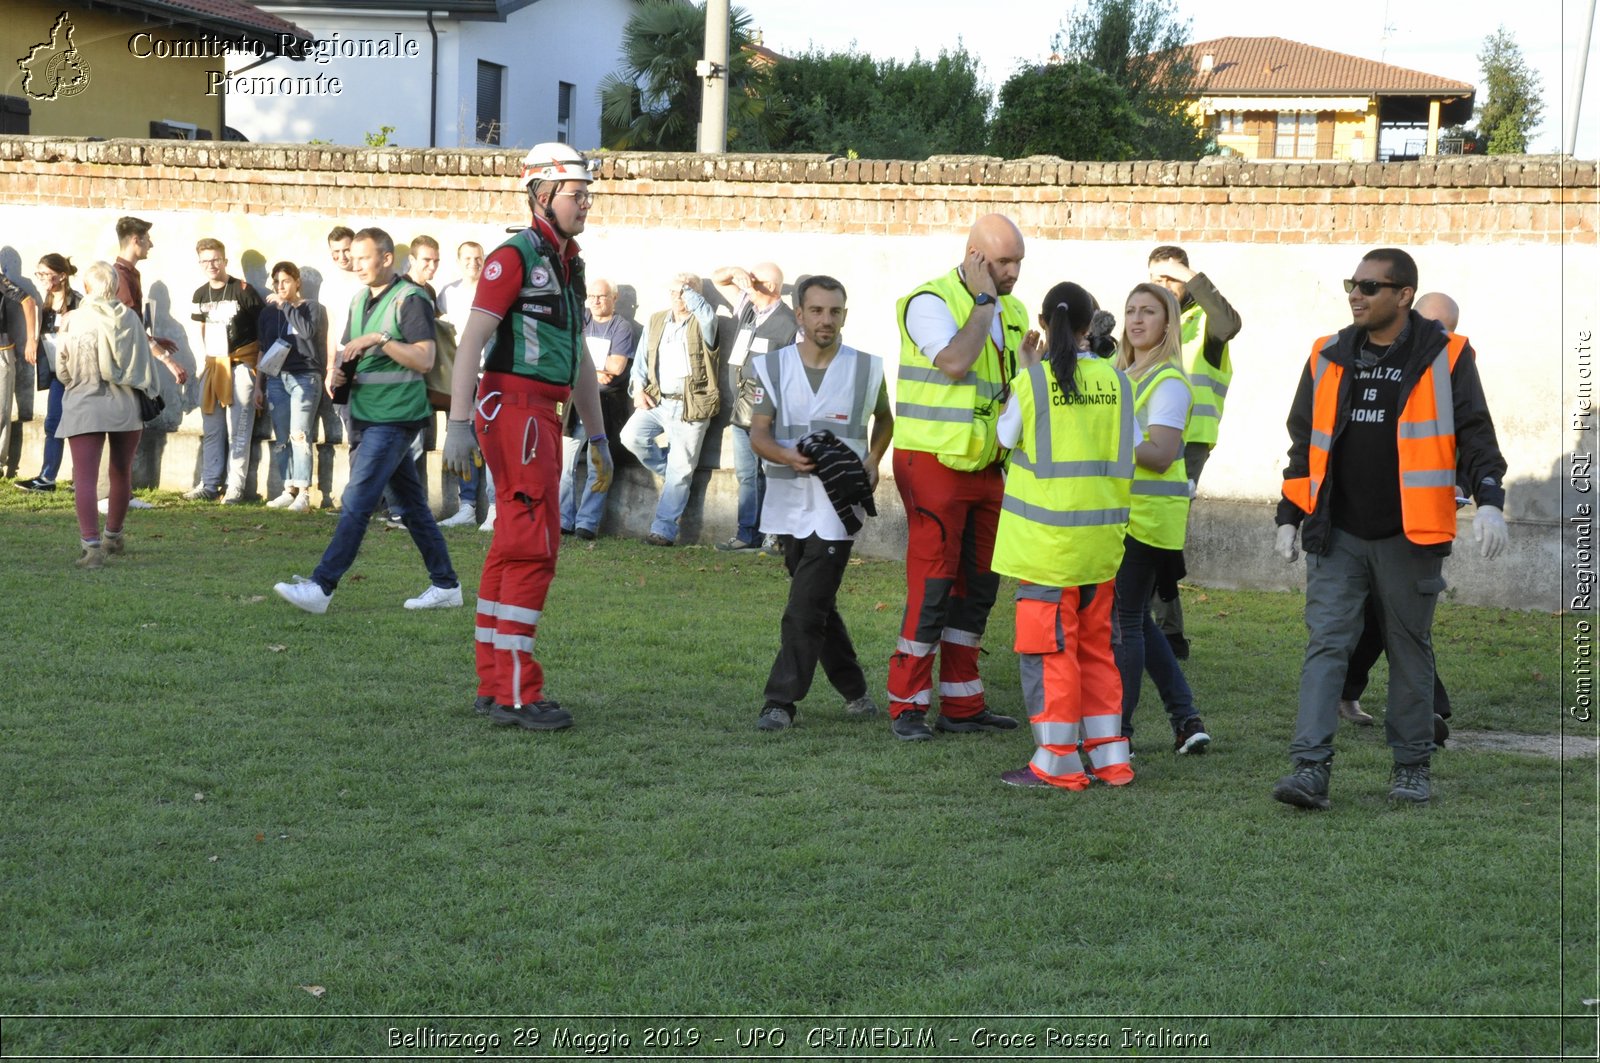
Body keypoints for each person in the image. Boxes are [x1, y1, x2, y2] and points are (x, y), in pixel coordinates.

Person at [1272, 249, 1508, 809]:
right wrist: (1288, 513)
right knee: (1326, 644)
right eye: (1352, 284)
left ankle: (1411, 768)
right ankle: (1309, 770)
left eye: (1370, 287)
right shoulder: (1327, 354)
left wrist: (1491, 499)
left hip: (1412, 534)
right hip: (1338, 533)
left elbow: (1475, 433)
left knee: (1408, 648)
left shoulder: (1447, 355)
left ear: (1403, 295)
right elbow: (1304, 444)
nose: (1356, 294)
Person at [441, 142, 611, 732]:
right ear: (543, 195)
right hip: (516, 410)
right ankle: (516, 690)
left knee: (511, 545)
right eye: (576, 193)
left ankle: (496, 683)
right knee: (534, 543)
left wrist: (598, 434)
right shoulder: (514, 255)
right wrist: (458, 424)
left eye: (587, 192)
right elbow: (470, 343)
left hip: (540, 412)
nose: (586, 202)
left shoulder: (570, 261)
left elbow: (580, 361)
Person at [885, 213, 1027, 741]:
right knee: (934, 584)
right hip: (933, 463)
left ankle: (962, 704)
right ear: (974, 258)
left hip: (987, 466)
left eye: (1017, 261)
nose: (1012, 272)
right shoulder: (931, 302)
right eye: (1002, 262)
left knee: (979, 587)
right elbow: (955, 362)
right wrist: (984, 302)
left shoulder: (1011, 310)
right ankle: (906, 706)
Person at [272, 227, 462, 614]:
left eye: (363, 257)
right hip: (363, 414)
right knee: (413, 507)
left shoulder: (411, 299)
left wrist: (379, 339)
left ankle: (322, 587)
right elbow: (351, 351)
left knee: (357, 500)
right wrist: (341, 372)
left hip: (396, 417)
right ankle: (446, 585)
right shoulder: (359, 299)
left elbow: (424, 359)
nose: (354, 264)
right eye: (352, 258)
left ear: (387, 258)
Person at [992, 283, 1136, 788]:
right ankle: (1111, 759)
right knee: (1097, 652)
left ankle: (1057, 763)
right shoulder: (1119, 382)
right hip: (1101, 550)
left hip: (1045, 552)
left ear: (1043, 320)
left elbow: (1003, 439)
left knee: (1050, 656)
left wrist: (1027, 373)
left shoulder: (1032, 382)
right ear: (1090, 323)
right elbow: (1133, 446)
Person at [745, 275, 891, 731]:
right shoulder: (770, 367)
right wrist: (786, 455)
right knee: (819, 604)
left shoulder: (867, 367)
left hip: (838, 506)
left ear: (844, 314)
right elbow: (758, 435)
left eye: (835, 311)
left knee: (804, 606)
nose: (826, 319)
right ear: (800, 313)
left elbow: (885, 420)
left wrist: (873, 457)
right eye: (817, 311)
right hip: (787, 504)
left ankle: (780, 701)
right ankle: (854, 690)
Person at [1337, 291, 1462, 737]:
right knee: (1381, 616)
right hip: (1362, 523)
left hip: (1417, 525)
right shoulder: (1363, 360)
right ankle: (1419, 709)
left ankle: (1405, 707)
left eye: (1442, 329)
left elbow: (1464, 436)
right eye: (1426, 324)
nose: (1431, 336)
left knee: (1397, 618)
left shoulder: (1452, 367)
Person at [1112, 283, 1212, 755]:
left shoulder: (1168, 380)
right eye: (1130, 310)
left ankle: (1119, 736)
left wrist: (1105, 439)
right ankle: (1186, 718)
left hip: (1147, 520)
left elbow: (1160, 453)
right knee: (1137, 619)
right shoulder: (1124, 372)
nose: (1136, 320)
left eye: (1148, 312)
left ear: (1168, 324)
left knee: (1123, 623)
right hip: (1122, 517)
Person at [1146, 245, 1243, 660]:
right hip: (1147, 438)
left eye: (1171, 278)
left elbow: (1230, 322)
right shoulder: (1149, 320)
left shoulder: (1205, 321)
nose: (1163, 286)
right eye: (1156, 278)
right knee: (1154, 532)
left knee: (1160, 531)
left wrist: (1192, 276)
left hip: (1189, 444)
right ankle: (1166, 634)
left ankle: (1162, 632)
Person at [53, 262, 161, 568]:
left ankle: (91, 547)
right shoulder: (131, 318)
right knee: (121, 471)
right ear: (114, 287)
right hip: (126, 406)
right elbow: (144, 364)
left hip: (84, 403)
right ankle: (114, 536)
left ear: (87, 288)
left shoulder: (73, 319)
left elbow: (61, 368)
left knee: (85, 477)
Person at [622, 272, 720, 546]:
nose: (678, 297)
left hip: (691, 405)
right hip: (659, 400)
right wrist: (638, 389)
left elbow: (707, 314)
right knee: (630, 437)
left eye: (685, 292)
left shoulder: (704, 322)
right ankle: (676, 475)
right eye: (674, 292)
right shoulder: (656, 320)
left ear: (696, 295)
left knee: (681, 470)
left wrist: (686, 289)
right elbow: (641, 361)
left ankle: (662, 530)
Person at [711, 261, 797, 552]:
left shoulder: (789, 323)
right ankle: (747, 534)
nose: (748, 280)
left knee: (774, 474)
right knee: (747, 475)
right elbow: (718, 279)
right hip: (741, 409)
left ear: (771, 286)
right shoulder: (748, 307)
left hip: (770, 413)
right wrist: (735, 269)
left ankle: (776, 536)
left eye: (755, 277)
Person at [184, 238, 264, 503]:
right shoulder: (199, 294)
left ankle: (235, 486)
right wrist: (203, 362)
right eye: (206, 260)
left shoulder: (243, 290)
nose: (211, 265)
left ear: (225, 261)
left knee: (239, 429)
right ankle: (209, 483)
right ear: (199, 263)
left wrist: (258, 370)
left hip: (241, 364)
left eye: (216, 259)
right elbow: (201, 329)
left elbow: (261, 330)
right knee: (213, 427)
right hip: (213, 365)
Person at [559, 277, 636, 539]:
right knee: (564, 463)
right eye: (591, 296)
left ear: (614, 299)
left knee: (599, 465)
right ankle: (563, 520)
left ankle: (587, 523)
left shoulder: (621, 327)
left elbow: (615, 369)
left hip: (604, 406)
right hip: (573, 404)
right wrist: (595, 372)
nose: (595, 301)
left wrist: (584, 371)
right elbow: (564, 356)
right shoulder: (581, 320)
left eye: (602, 296)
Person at [258, 261, 327, 512]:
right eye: (276, 282)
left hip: (305, 378)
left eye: (285, 281)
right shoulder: (267, 314)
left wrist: (285, 304)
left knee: (300, 434)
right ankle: (288, 488)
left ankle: (304, 493)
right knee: (282, 436)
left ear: (297, 281)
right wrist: (259, 385)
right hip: (277, 378)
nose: (280, 286)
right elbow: (263, 350)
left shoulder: (312, 308)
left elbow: (307, 332)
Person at [17, 254, 81, 492]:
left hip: (76, 374)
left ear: (62, 275)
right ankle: (47, 477)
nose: (41, 278)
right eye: (39, 273)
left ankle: (81, 478)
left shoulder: (78, 302)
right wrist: (32, 341)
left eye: (45, 273)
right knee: (53, 422)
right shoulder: (46, 301)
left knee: (78, 425)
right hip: (56, 374)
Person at [436, 240, 486, 527]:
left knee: (489, 438)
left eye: (478, 258)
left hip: (487, 373)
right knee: (462, 438)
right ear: (459, 261)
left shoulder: (490, 289)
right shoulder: (448, 293)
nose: (473, 263)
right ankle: (466, 507)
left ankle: (492, 508)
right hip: (459, 374)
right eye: (467, 258)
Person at [1, 264, 42, 480]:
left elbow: (28, 301)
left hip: (2, 350)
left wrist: (30, 340)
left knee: (1, 410)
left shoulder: (1, 281)